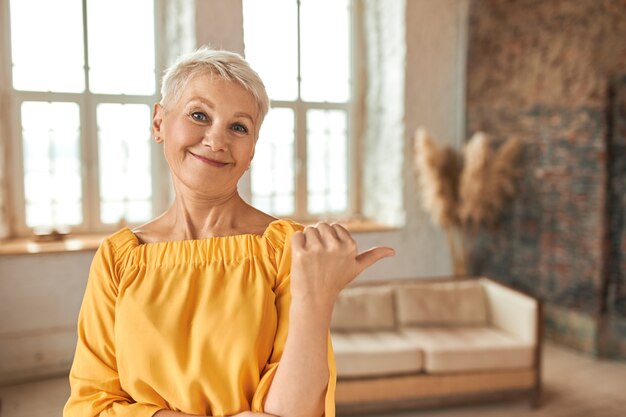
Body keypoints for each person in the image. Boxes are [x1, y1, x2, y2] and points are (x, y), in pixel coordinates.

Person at [63, 47, 394, 417]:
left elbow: (297, 412)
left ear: (252, 149)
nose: (217, 140)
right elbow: (89, 405)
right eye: (199, 114)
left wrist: (317, 298)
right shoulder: (118, 259)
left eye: (239, 127)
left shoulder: (287, 250)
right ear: (158, 122)